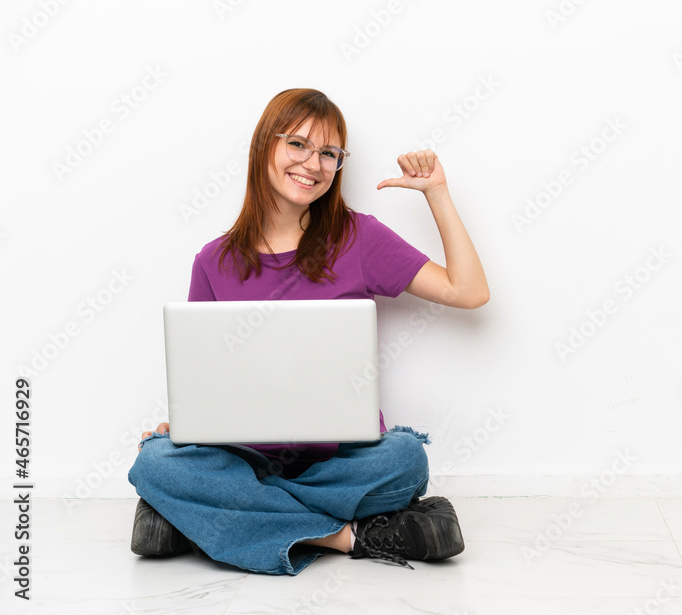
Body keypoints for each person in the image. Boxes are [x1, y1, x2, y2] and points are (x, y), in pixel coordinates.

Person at [127, 88, 489, 575]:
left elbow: (468, 291)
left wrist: (437, 193)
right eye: (297, 144)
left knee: (405, 459)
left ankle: (202, 518)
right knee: (156, 462)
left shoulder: (358, 238)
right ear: (265, 148)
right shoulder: (213, 261)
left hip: (343, 460)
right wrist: (185, 424)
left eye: (329, 153)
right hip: (244, 459)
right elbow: (205, 379)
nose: (313, 164)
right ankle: (349, 536)